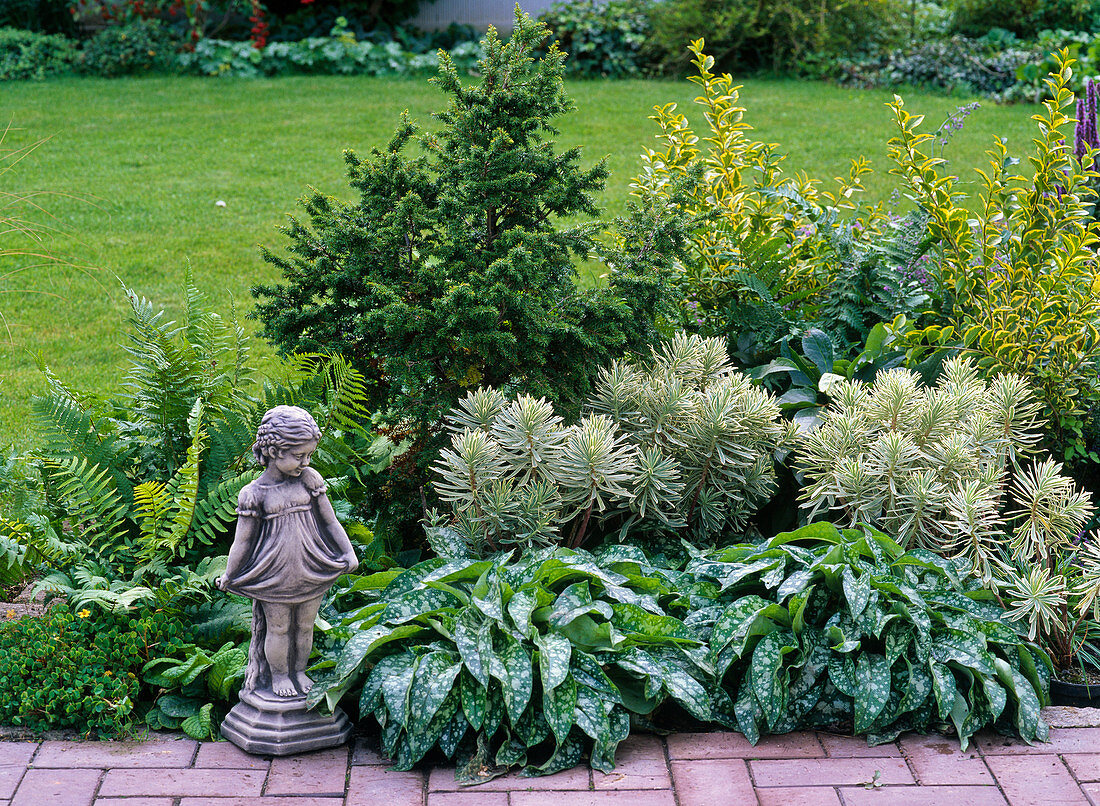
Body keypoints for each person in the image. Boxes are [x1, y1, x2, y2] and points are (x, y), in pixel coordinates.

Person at [216, 405, 358, 698]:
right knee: (278, 628)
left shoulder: (309, 480)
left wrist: (347, 553)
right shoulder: (254, 494)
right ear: (273, 450)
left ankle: (300, 671)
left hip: (312, 565)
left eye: (309, 455)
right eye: (298, 456)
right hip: (274, 574)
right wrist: (230, 574)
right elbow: (242, 542)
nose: (305, 462)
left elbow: (329, 521)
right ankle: (279, 676)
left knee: (305, 626)